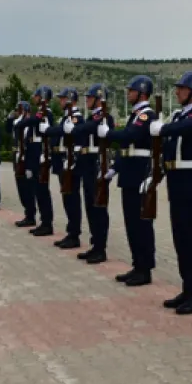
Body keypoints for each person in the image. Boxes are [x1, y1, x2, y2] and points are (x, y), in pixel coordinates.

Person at [149, 72, 192, 314]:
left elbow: (185, 128)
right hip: (177, 182)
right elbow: (168, 149)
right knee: (181, 240)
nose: (177, 92)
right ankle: (187, 288)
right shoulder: (179, 115)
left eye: (181, 89)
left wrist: (163, 128)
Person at [96, 75, 157, 286]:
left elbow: (129, 136)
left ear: (141, 93)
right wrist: (115, 168)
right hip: (129, 173)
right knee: (131, 223)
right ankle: (137, 265)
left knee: (141, 224)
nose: (128, 93)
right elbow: (127, 148)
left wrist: (109, 134)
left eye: (131, 90)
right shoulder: (136, 114)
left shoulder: (146, 115)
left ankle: (145, 268)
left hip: (139, 174)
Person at [67, 83, 113, 264]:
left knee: (98, 208)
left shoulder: (103, 118)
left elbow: (86, 129)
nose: (86, 100)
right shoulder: (92, 117)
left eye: (90, 97)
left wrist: (74, 128)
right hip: (87, 166)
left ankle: (101, 248)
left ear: (98, 99)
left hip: (97, 166)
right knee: (90, 207)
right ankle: (95, 245)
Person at [19, 87, 56, 236]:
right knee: (37, 190)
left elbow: (37, 125)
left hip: (41, 155)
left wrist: (22, 122)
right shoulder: (40, 112)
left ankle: (47, 223)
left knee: (42, 191)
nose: (33, 98)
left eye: (36, 96)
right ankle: (43, 221)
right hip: (34, 156)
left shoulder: (46, 113)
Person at [51, 88, 84, 249]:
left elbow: (77, 140)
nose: (60, 101)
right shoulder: (66, 117)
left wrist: (72, 161)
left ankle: (74, 234)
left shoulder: (76, 118)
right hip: (63, 163)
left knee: (72, 200)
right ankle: (71, 232)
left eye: (63, 99)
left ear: (71, 100)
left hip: (71, 164)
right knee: (67, 198)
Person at [7, 100, 37, 227]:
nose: (17, 113)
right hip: (18, 158)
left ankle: (31, 215)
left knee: (27, 189)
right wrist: (10, 118)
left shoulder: (30, 124)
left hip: (26, 160)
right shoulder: (18, 122)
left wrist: (30, 165)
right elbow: (9, 129)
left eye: (20, 110)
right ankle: (27, 213)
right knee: (21, 188)